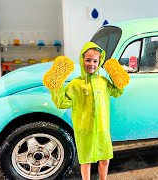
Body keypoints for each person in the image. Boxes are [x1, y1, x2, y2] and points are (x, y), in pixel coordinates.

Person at [49, 42, 124, 179]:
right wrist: (56, 87)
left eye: (95, 61)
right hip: (84, 129)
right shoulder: (75, 84)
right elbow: (62, 102)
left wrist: (117, 72)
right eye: (88, 60)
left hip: (102, 128)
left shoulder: (104, 82)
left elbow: (118, 91)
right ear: (82, 60)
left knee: (105, 159)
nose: (91, 64)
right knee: (86, 160)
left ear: (99, 62)